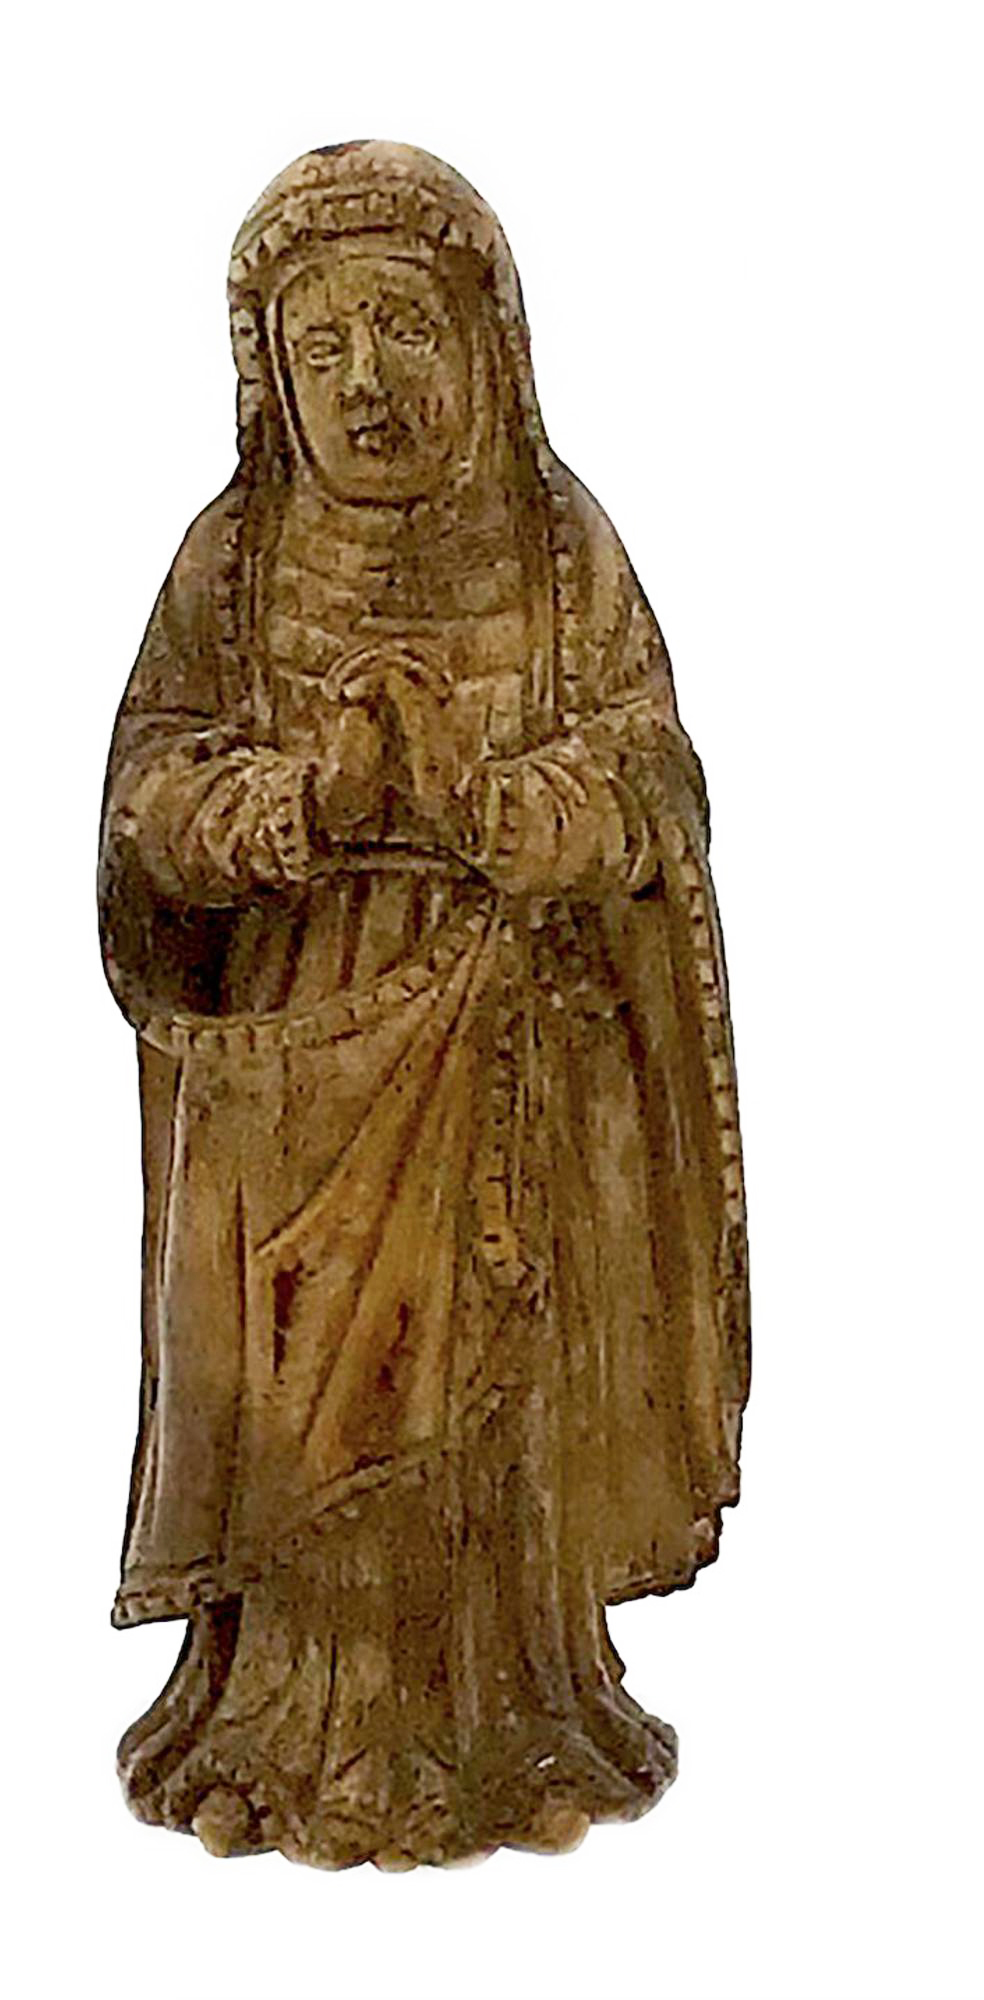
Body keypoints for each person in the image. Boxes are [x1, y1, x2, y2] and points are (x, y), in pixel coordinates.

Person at [98, 140, 749, 1868]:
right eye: (322, 347)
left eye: (403, 330)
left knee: (492, 1389)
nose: (366, 382)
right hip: (295, 1067)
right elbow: (146, 797)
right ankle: (279, 1715)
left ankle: (508, 1715)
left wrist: (537, 811)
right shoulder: (233, 566)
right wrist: (279, 808)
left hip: (511, 1057)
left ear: (486, 346)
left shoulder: (559, 552)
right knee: (289, 1384)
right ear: (269, 376)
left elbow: (658, 778)